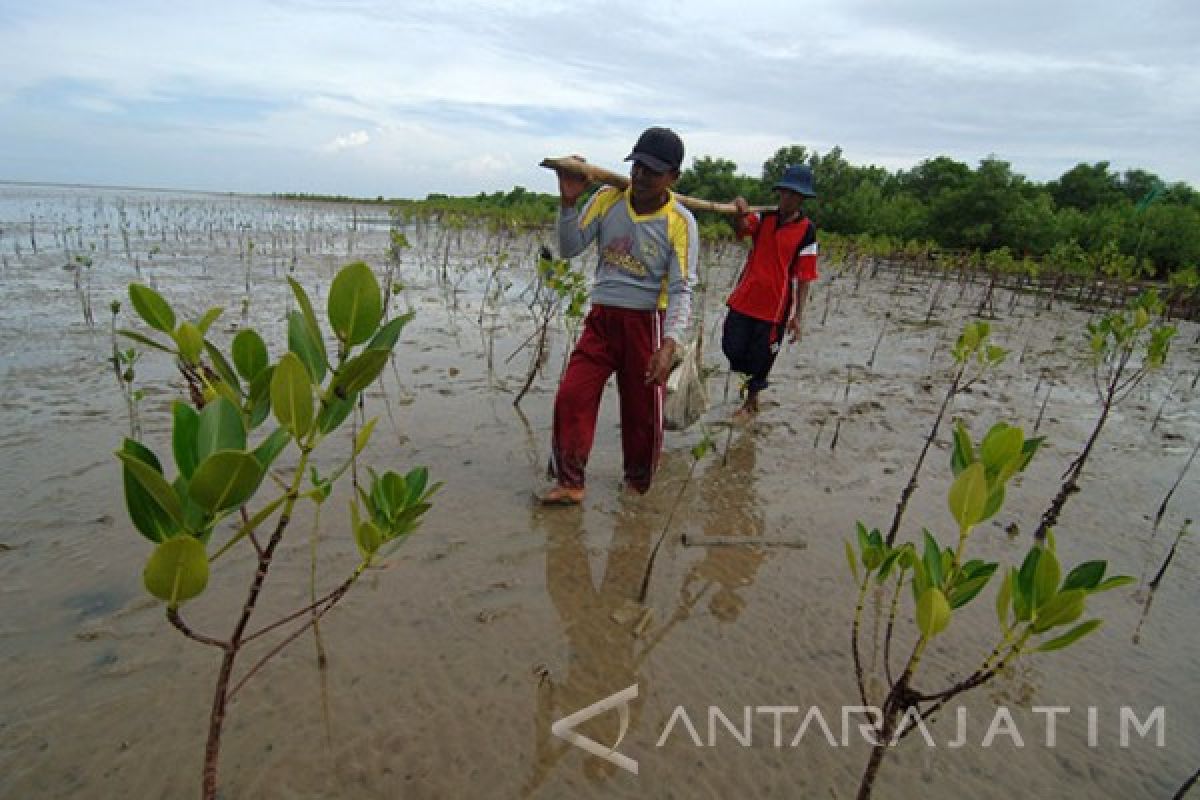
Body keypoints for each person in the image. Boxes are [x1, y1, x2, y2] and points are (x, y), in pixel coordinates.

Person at [538, 126, 698, 506]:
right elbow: (570, 248)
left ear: (672, 177)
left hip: (648, 324)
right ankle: (571, 481)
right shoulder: (608, 199)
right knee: (572, 396)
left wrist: (669, 344)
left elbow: (680, 290)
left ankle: (637, 485)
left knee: (642, 414)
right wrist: (568, 203)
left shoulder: (680, 222)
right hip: (602, 319)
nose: (641, 176)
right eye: (637, 166)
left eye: (653, 171)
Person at [722, 163, 818, 421]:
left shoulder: (807, 231)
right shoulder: (764, 217)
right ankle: (747, 388)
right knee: (731, 347)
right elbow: (742, 229)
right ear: (780, 193)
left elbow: (805, 276)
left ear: (802, 198)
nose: (789, 198)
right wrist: (737, 212)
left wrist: (798, 316)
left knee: (762, 358)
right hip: (745, 298)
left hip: (774, 308)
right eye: (786, 192)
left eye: (795, 195)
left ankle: (751, 402)